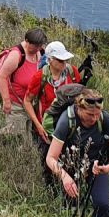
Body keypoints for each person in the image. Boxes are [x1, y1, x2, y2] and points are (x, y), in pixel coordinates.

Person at [45, 88, 109, 217]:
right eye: (90, 114)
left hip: (97, 166)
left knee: (103, 205)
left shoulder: (105, 119)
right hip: (70, 166)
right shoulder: (67, 121)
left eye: (97, 114)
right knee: (70, 207)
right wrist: (64, 177)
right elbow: (51, 158)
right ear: (79, 108)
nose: (94, 118)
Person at [34, 41, 81, 180]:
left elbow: (79, 95)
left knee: (68, 160)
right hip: (47, 128)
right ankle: (50, 191)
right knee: (48, 162)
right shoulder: (40, 77)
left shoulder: (72, 72)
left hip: (69, 125)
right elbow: (27, 101)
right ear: (49, 60)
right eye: (60, 60)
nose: (64, 63)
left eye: (65, 60)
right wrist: (38, 124)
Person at [0, 28, 48, 142]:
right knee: (15, 133)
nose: (37, 49)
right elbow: (2, 76)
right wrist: (6, 101)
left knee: (26, 138)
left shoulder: (41, 52)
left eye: (39, 46)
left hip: (30, 103)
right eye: (34, 46)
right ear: (27, 41)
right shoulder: (17, 55)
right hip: (16, 103)